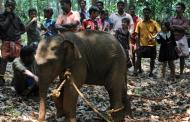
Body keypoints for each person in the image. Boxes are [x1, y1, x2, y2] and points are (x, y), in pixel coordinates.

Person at [0, 0, 25, 86]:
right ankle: (1, 78)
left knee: (17, 61)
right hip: (6, 42)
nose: (10, 7)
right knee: (3, 60)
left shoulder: (16, 17)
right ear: (6, 5)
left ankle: (15, 79)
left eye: (12, 6)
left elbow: (23, 28)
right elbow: (2, 27)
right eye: (9, 5)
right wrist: (8, 18)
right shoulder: (2, 16)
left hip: (16, 42)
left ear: (14, 7)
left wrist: (17, 34)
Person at [135, 7, 161, 77]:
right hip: (142, 44)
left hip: (151, 45)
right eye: (145, 12)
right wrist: (137, 45)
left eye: (148, 12)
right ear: (143, 13)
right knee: (138, 58)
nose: (146, 14)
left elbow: (159, 31)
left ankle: (151, 72)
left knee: (152, 59)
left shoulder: (154, 22)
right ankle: (137, 70)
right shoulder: (139, 23)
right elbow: (137, 35)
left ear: (150, 13)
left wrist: (154, 36)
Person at [169, 2, 189, 77]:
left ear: (183, 9)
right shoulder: (172, 18)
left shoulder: (185, 19)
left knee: (182, 56)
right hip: (173, 38)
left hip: (182, 38)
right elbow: (170, 28)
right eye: (176, 7)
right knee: (171, 56)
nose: (177, 9)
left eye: (179, 7)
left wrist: (174, 26)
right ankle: (172, 73)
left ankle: (181, 73)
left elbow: (184, 27)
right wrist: (178, 27)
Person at [128, 5, 141, 70]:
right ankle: (133, 66)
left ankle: (139, 67)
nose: (132, 10)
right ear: (129, 10)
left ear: (134, 10)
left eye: (133, 9)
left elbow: (140, 28)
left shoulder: (138, 18)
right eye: (130, 9)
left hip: (136, 37)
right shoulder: (127, 17)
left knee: (138, 53)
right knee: (132, 53)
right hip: (129, 37)